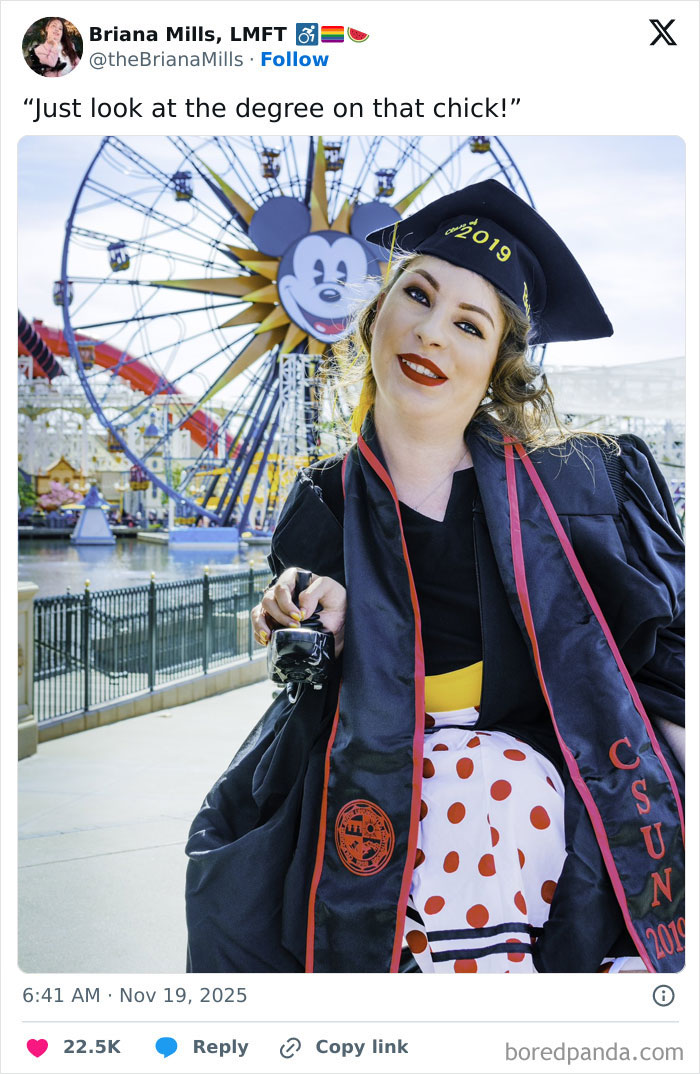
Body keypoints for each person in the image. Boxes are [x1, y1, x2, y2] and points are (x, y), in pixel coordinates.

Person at [185, 180, 684, 974]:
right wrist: (321, 617)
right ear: (375, 314)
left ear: (496, 366)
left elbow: (654, 658)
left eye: (469, 324)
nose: (430, 334)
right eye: (415, 295)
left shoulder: (581, 489)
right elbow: (309, 685)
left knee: (485, 783)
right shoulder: (323, 504)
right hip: (376, 775)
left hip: (545, 788)